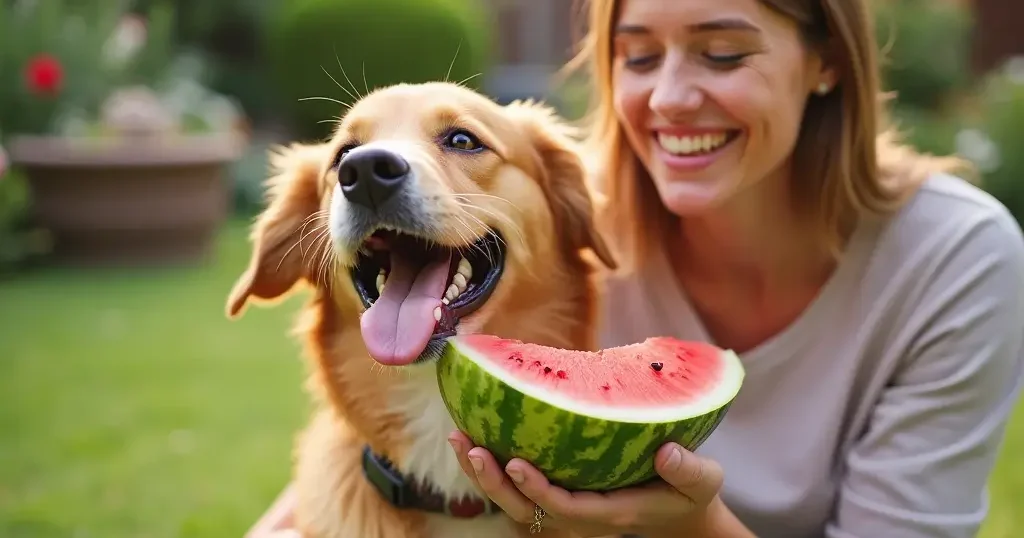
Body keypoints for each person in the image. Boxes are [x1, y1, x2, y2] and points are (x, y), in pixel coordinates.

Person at [249, 0, 1024, 537]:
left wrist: (692, 526)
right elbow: (373, 448)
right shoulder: (574, 222)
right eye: (639, 56)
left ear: (826, 61)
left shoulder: (955, 261)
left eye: (723, 52)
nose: (673, 97)